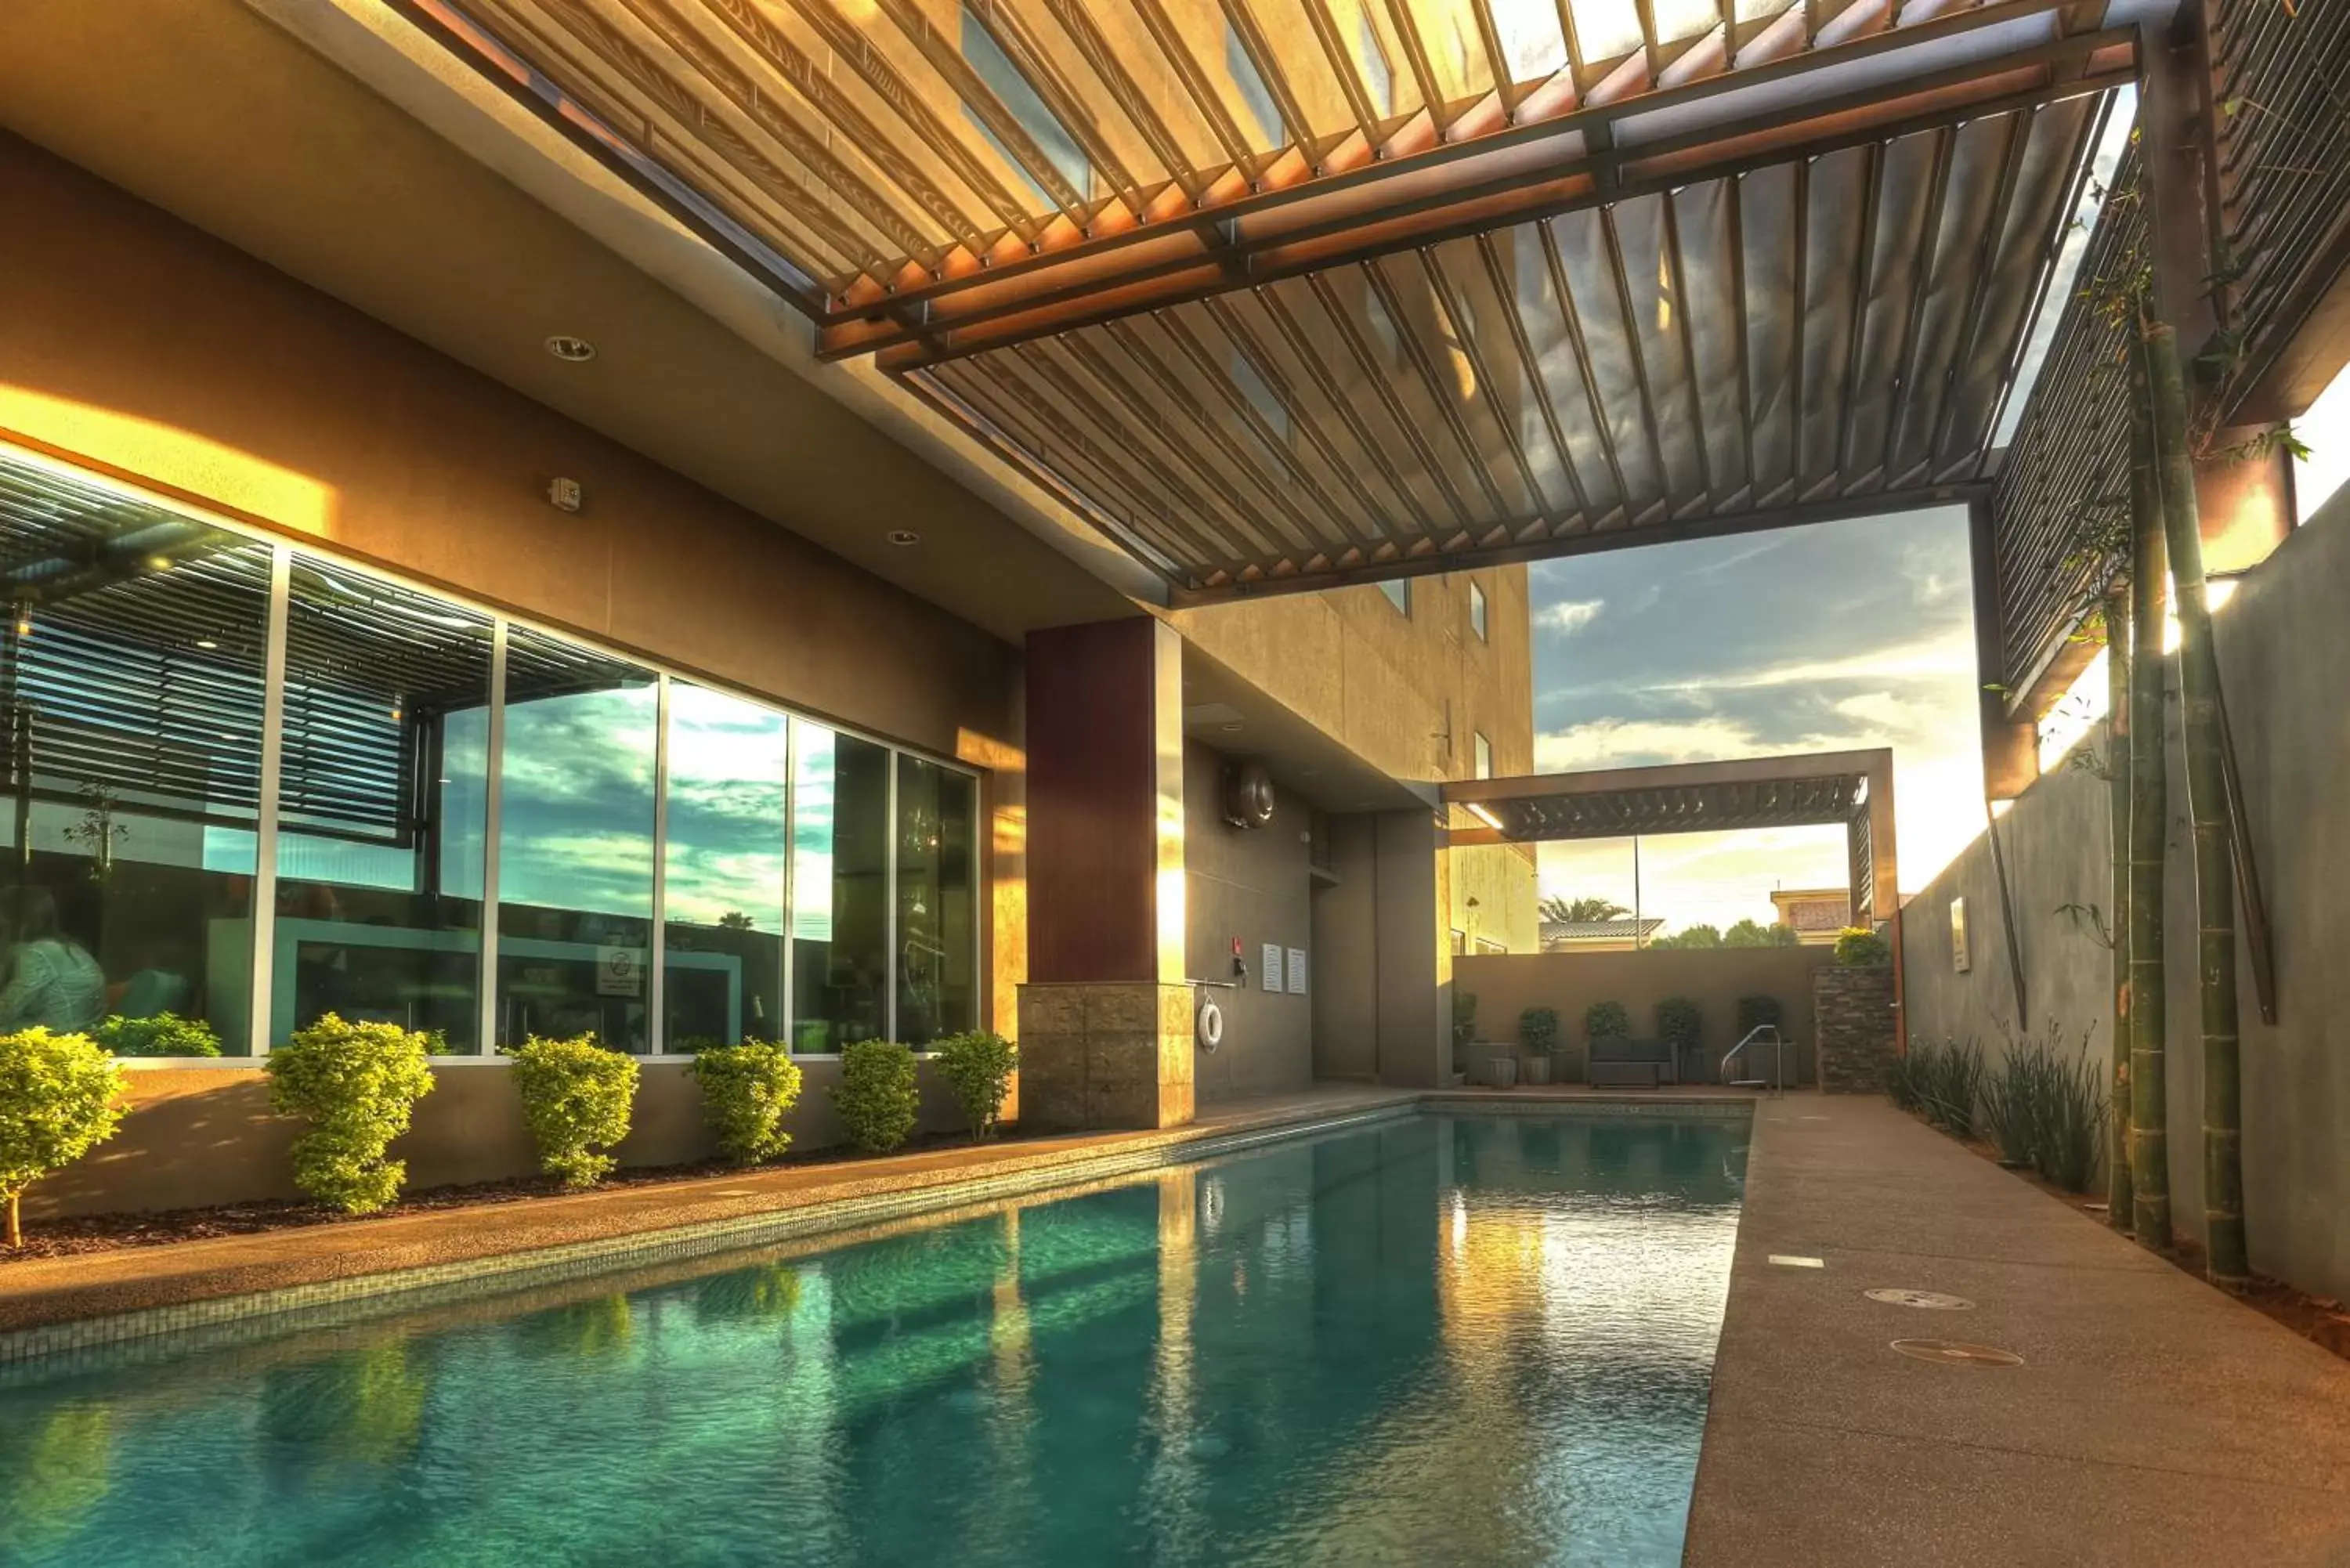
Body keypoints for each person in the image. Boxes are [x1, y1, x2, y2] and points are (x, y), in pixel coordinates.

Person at [0, 886, 106, 1033]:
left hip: (59, 1039)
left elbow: (8, 1009)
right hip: (85, 1034)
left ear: (18, 919)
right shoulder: (73, 948)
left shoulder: (37, 954)